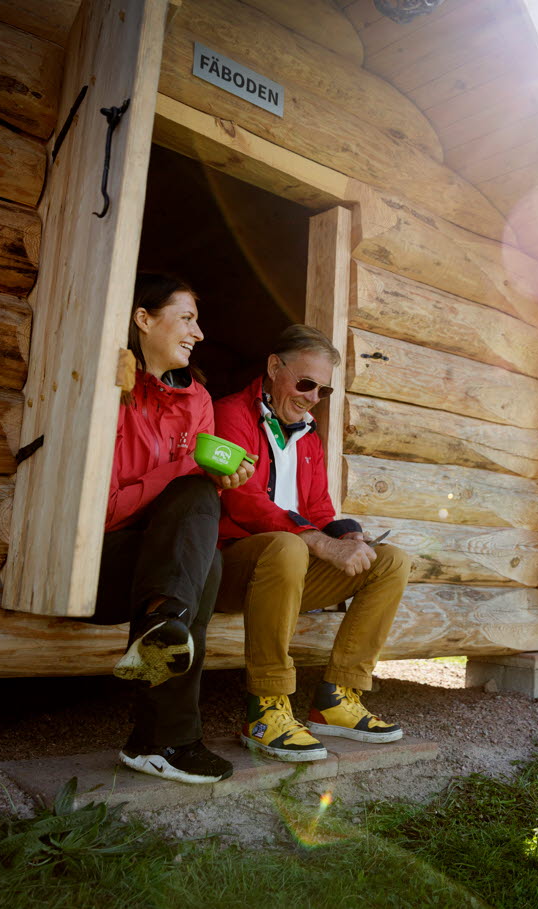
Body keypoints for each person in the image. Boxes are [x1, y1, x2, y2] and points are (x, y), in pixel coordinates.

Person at [212, 325, 411, 762]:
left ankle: (337, 699)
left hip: (291, 573)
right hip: (232, 572)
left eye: (323, 390)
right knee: (288, 546)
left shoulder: (308, 433)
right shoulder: (231, 413)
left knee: (391, 561)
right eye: (305, 383)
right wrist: (319, 543)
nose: (311, 397)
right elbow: (243, 503)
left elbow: (319, 507)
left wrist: (346, 535)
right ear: (273, 367)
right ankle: (266, 709)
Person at [90, 272, 254, 785]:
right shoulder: (111, 387)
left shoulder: (197, 401)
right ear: (144, 318)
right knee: (199, 554)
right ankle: (165, 740)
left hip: (160, 576)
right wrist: (186, 472)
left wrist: (225, 478)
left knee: (204, 538)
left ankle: (166, 626)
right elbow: (111, 511)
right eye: (187, 318)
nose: (198, 332)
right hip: (98, 565)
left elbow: (190, 504)